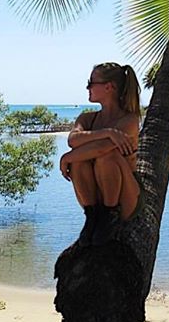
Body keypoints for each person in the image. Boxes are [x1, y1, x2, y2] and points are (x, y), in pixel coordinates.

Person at [60, 62, 143, 246]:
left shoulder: (129, 120)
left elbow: (101, 149)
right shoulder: (87, 118)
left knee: (107, 157)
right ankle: (91, 217)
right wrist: (108, 132)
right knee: (80, 161)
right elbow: (73, 140)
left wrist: (66, 158)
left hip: (125, 199)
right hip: (95, 200)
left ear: (109, 87)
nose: (87, 87)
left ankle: (110, 216)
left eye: (91, 82)